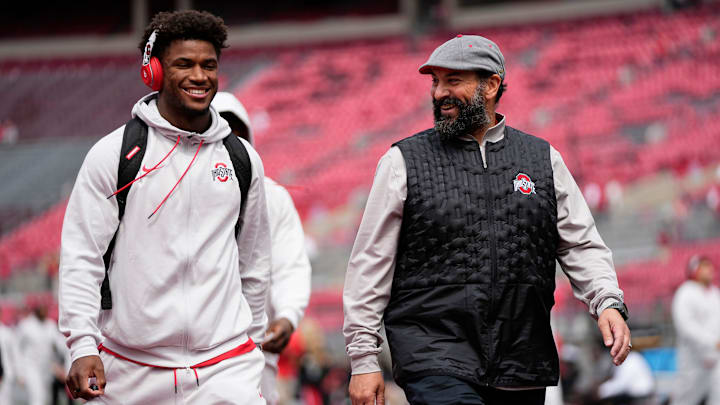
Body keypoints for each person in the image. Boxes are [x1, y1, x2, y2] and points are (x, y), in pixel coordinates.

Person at [343, 34, 631, 405]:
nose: (438, 93)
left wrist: (606, 301)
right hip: (434, 355)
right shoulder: (402, 162)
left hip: (522, 359)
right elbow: (370, 264)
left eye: (453, 81)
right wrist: (364, 359)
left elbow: (581, 243)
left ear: (492, 84)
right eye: (435, 82)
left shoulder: (542, 160)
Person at [58, 10, 271, 404]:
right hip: (129, 369)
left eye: (209, 65)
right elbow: (82, 257)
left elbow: (254, 265)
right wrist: (83, 346)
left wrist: (253, 343)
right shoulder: (114, 154)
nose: (200, 76)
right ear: (153, 72)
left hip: (226, 367)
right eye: (183, 64)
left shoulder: (243, 160)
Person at [212, 91, 312, 405]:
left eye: (237, 135)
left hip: (253, 347)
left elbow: (290, 265)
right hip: (187, 350)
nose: (230, 146)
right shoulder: (177, 194)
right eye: (220, 134)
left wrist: (286, 316)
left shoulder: (273, 198)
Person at [671, 255, 720, 405]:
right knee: (685, 399)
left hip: (716, 357)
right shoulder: (685, 292)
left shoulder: (714, 292)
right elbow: (685, 326)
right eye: (705, 266)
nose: (710, 269)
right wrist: (712, 342)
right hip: (693, 359)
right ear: (695, 269)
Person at [16, 300, 68, 405]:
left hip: (46, 368)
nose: (43, 311)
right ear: (35, 310)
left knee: (45, 397)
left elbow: (61, 346)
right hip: (30, 366)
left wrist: (63, 366)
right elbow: (17, 349)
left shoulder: (50, 325)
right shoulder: (25, 325)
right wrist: (20, 372)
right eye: (41, 309)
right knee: (36, 396)